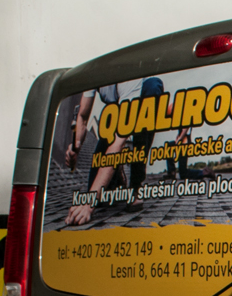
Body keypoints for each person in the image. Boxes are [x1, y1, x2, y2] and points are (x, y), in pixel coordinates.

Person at [65, 78, 163, 225]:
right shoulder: (94, 73)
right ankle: (117, 174)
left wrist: (89, 203)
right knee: (99, 195)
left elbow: (118, 144)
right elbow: (82, 116)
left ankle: (136, 185)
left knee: (152, 88)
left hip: (139, 99)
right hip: (116, 109)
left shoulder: (128, 79)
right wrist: (76, 146)